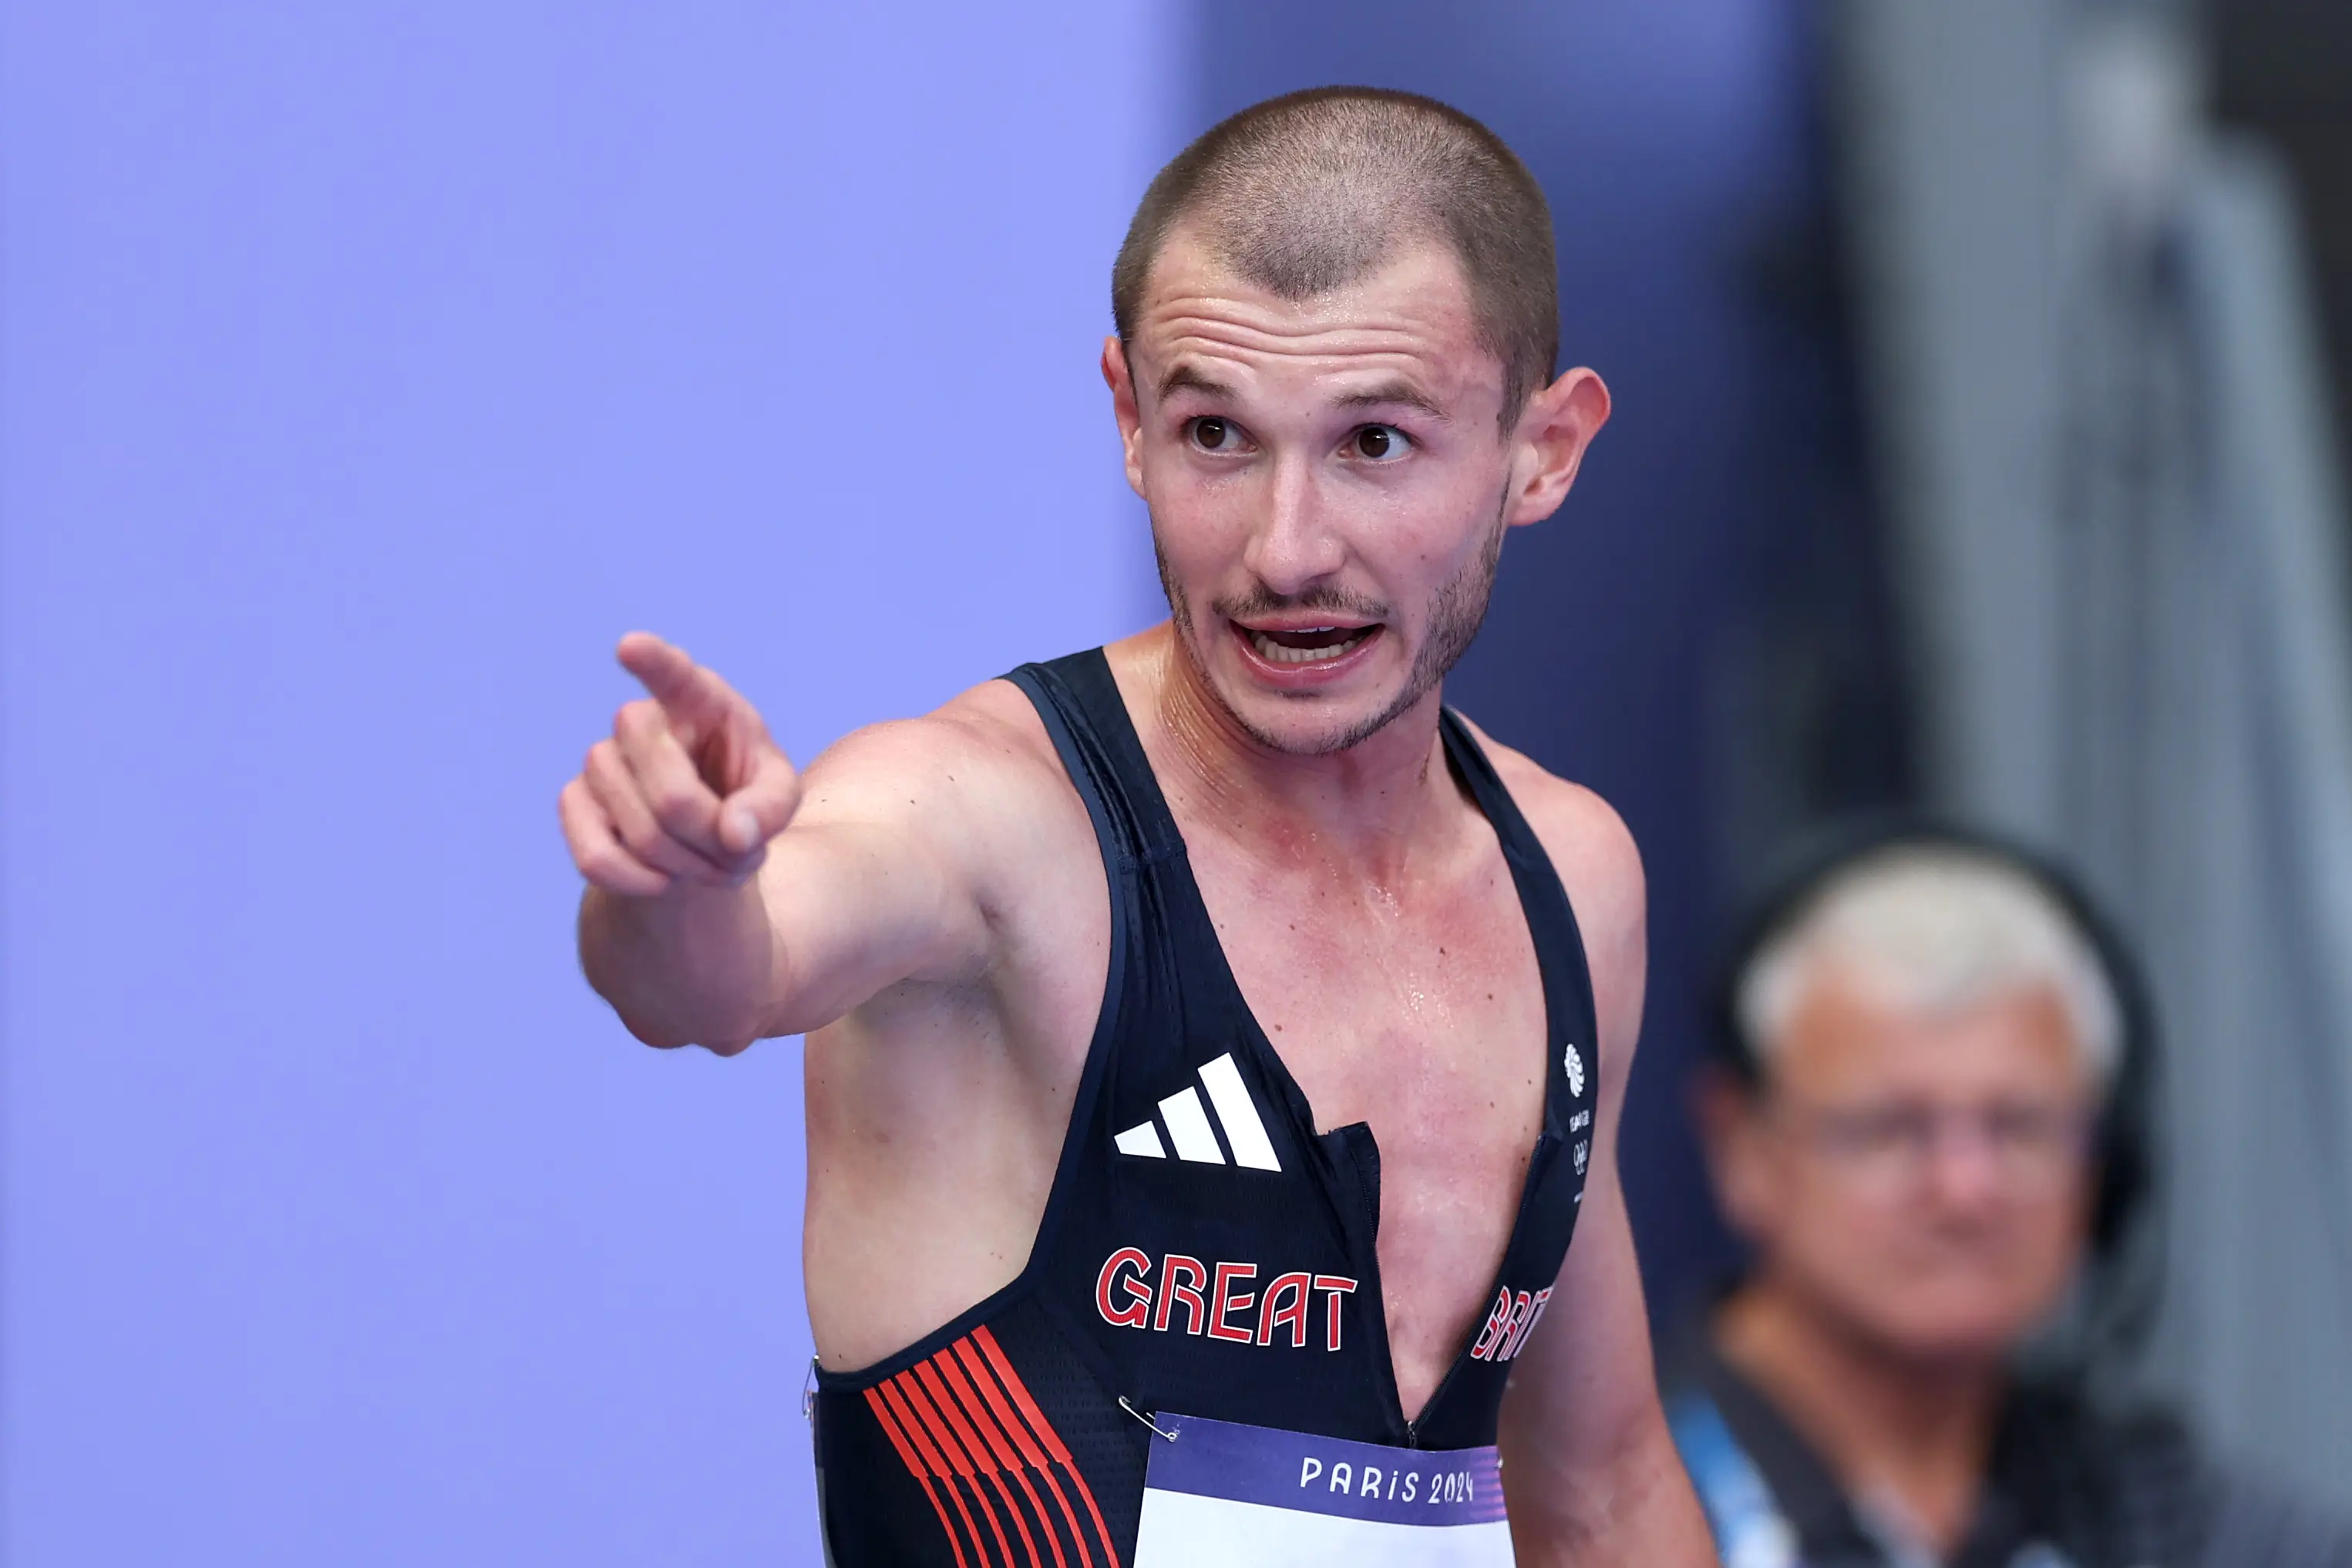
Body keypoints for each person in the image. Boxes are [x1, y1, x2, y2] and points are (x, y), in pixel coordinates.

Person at [557, 87, 1711, 1566]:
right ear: (1127, 419)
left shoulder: (1572, 870)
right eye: (1216, 433)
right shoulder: (990, 821)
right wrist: (671, 878)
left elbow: (1601, 1490)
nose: (1287, 549)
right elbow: (714, 976)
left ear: (1541, 450)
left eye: (1374, 443)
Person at [1671, 820, 2352, 1568]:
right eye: (1889, 1130)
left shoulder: (2176, 1521)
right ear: (1742, 1149)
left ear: (2106, 1165)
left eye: (2021, 1126)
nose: (1966, 1191)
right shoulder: (1589, 1487)